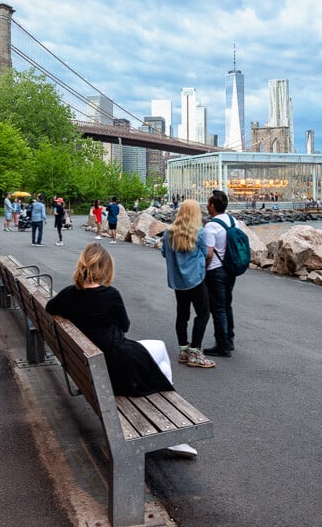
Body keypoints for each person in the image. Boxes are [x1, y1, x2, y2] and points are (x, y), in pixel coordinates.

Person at [46, 243, 197, 457]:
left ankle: (170, 427)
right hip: (115, 364)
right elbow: (125, 326)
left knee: (159, 359)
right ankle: (172, 431)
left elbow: (50, 308)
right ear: (107, 269)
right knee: (160, 355)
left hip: (90, 366)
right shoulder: (111, 294)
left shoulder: (69, 294)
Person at [161, 199, 215, 369]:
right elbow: (206, 254)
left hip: (178, 282)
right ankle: (195, 352)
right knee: (203, 314)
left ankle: (183, 350)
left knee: (182, 314)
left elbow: (164, 253)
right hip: (196, 280)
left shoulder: (168, 233)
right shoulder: (199, 232)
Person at [203, 190, 237, 357]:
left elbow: (209, 253)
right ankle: (230, 340)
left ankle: (222, 345)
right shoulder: (232, 221)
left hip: (216, 270)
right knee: (227, 305)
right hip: (230, 268)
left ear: (213, 206)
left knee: (217, 308)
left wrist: (204, 268)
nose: (207, 207)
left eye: (208, 204)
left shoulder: (211, 226)